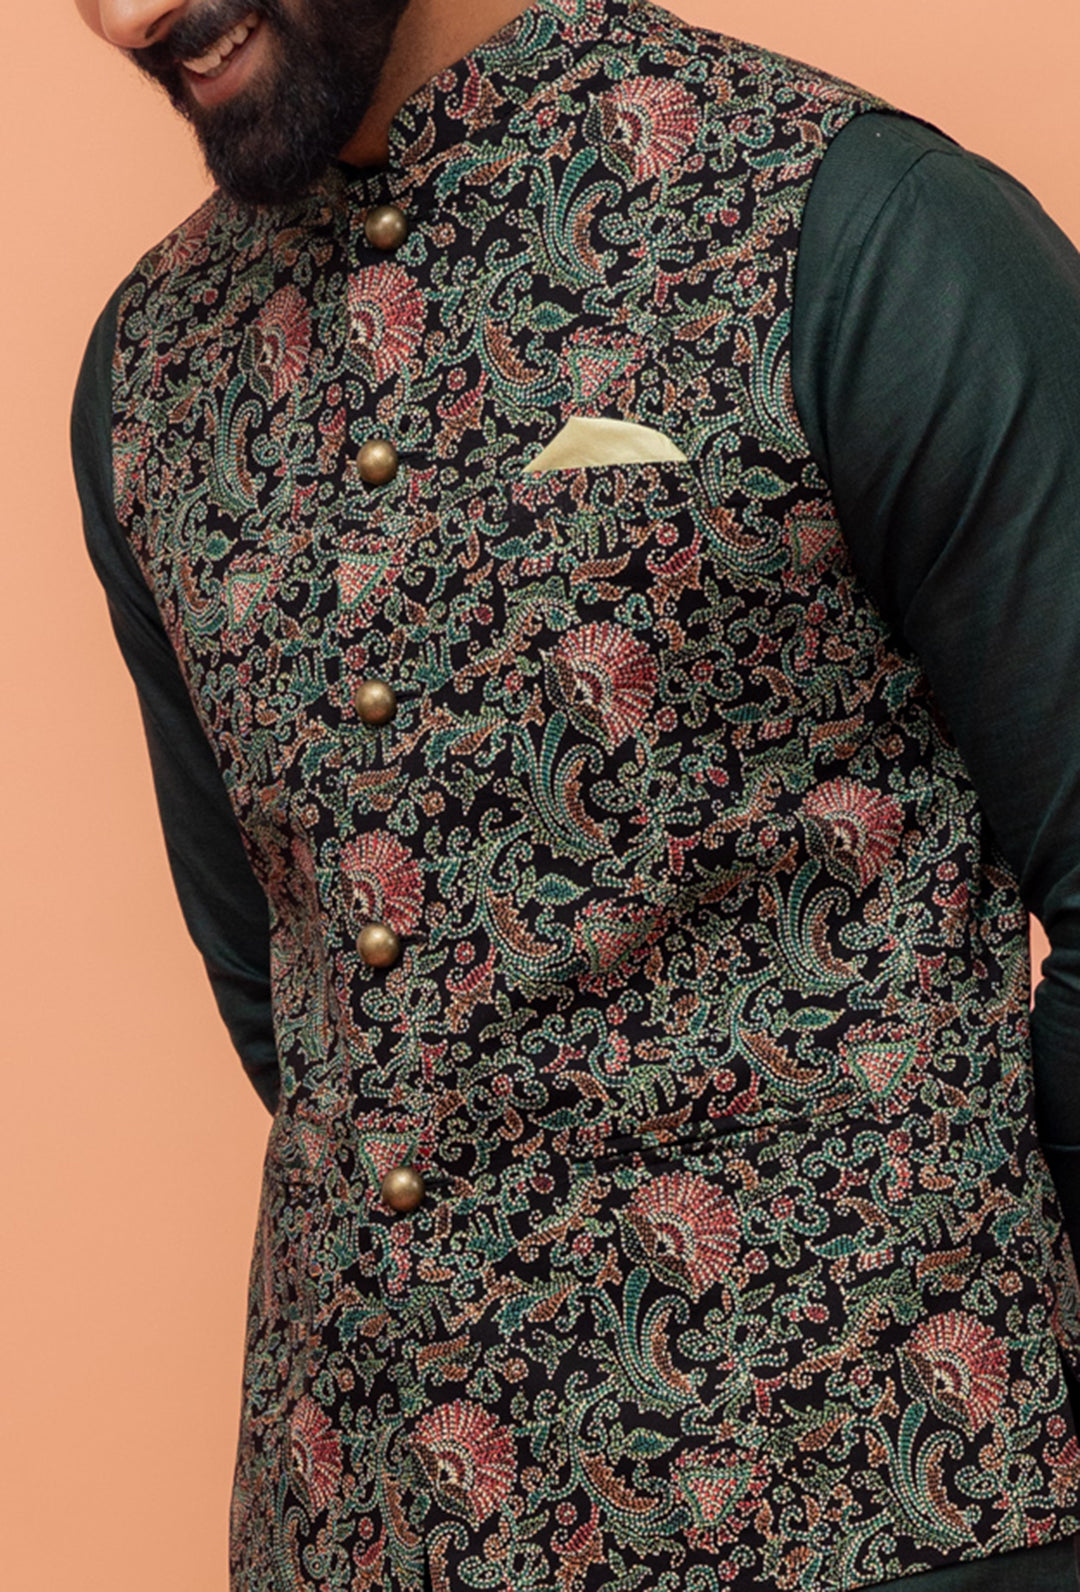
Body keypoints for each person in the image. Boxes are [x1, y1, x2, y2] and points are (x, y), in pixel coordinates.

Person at [70, 1, 1080, 1587]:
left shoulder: (859, 230)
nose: (125, 13)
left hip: (881, 1524)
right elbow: (292, 994)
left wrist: (979, 1321)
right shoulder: (151, 378)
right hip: (352, 1533)